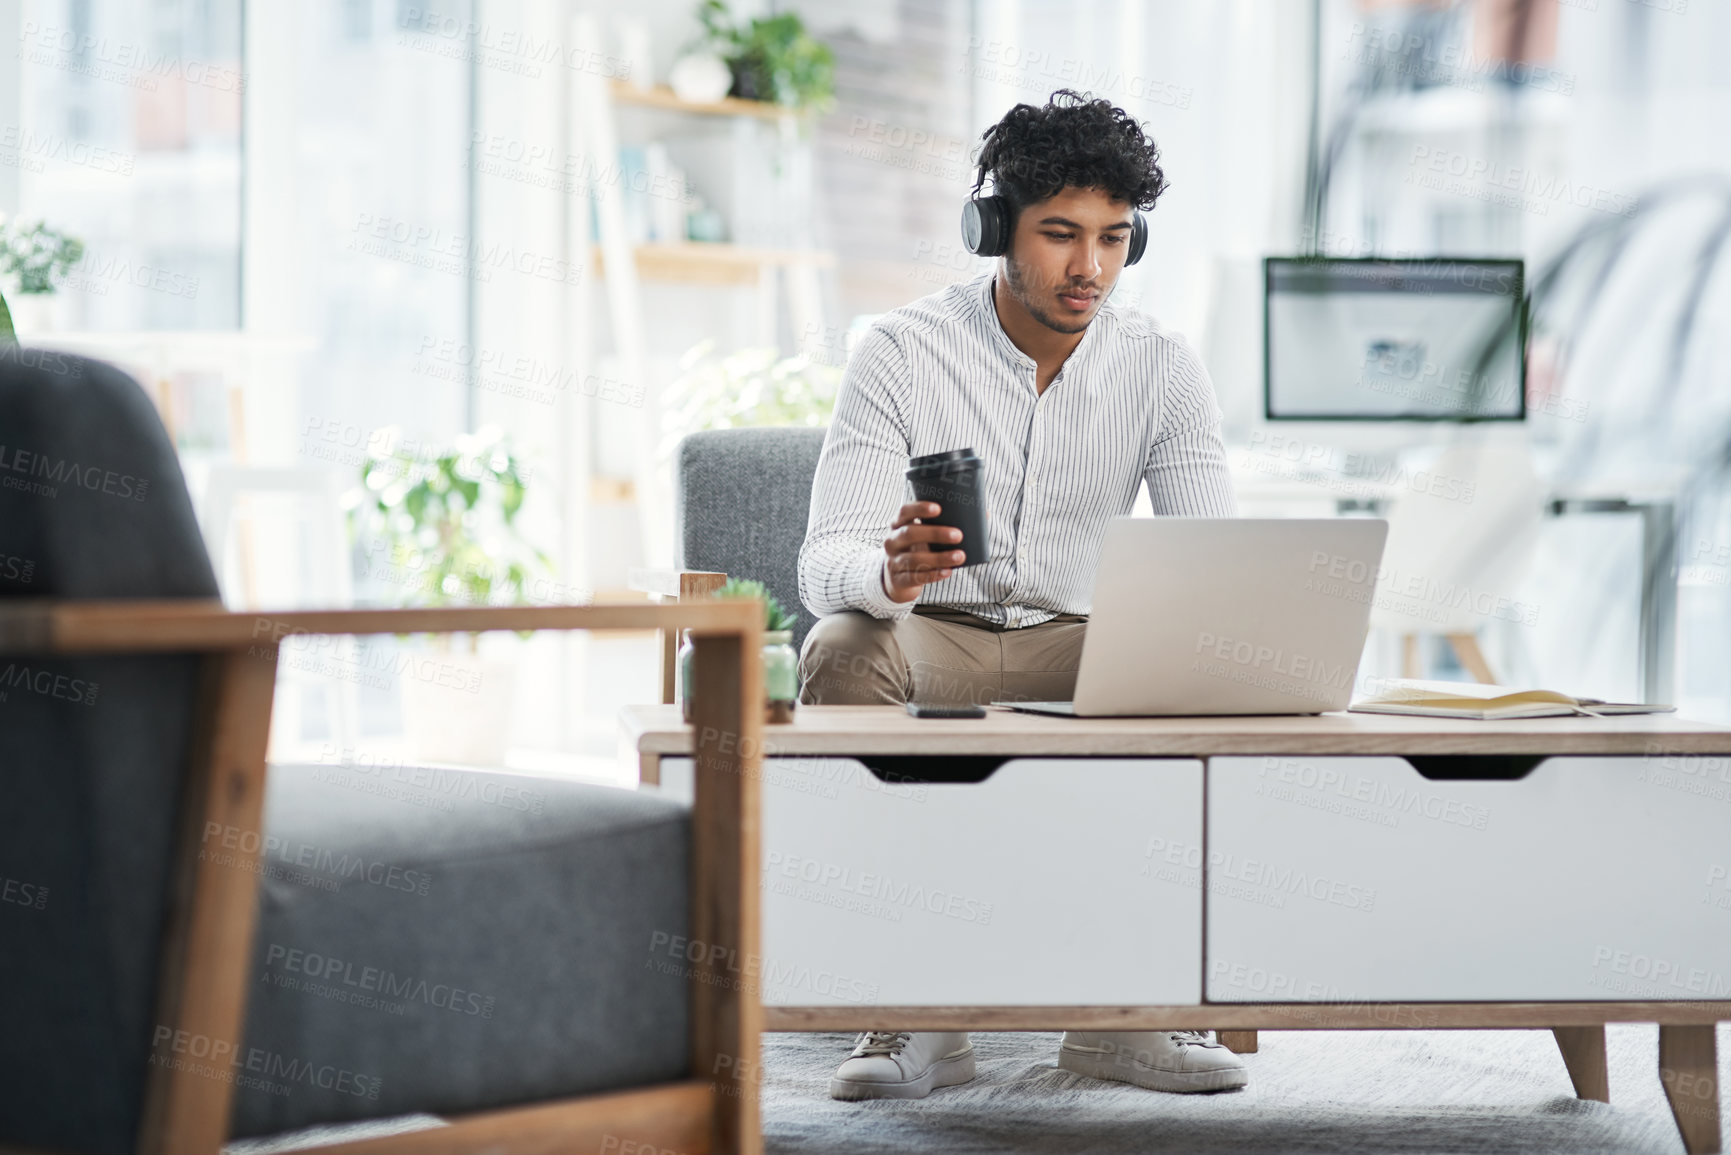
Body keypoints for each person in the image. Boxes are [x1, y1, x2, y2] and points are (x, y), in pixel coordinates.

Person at [795, 89, 1246, 1101]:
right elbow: (821, 558)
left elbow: (1215, 557)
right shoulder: (901, 352)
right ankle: (915, 1015)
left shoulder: (1165, 367)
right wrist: (887, 573)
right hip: (934, 636)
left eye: (1114, 239)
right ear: (994, 227)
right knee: (840, 645)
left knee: (1214, 671)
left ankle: (1128, 1019)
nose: (1089, 268)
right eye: (1059, 235)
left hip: (1084, 642)